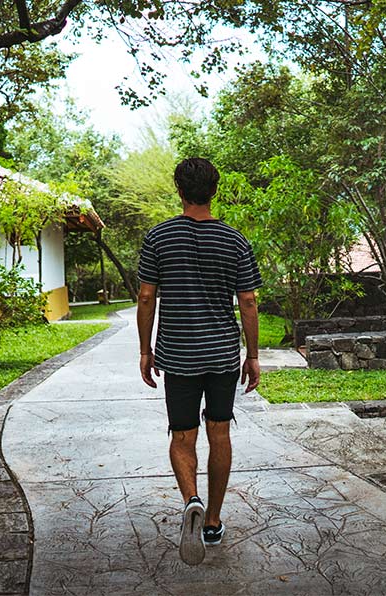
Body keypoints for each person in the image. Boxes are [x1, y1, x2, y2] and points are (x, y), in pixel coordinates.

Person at [136, 157, 262, 566]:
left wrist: (145, 349)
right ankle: (212, 520)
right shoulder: (235, 241)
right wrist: (254, 356)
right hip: (223, 355)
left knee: (182, 436)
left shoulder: (158, 238)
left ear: (179, 190)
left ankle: (190, 498)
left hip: (179, 354)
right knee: (220, 434)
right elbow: (247, 300)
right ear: (215, 190)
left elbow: (145, 297)